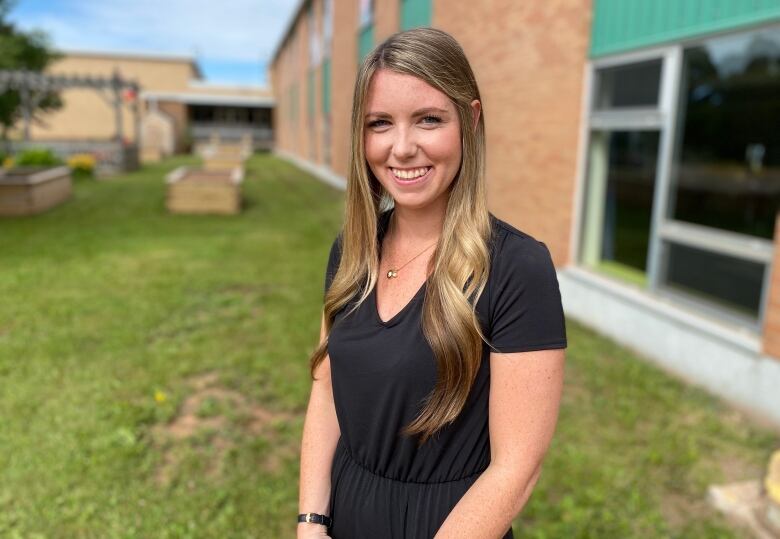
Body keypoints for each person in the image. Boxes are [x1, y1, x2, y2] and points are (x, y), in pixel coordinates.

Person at [297, 27, 567, 539]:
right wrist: (311, 522)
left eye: (428, 119)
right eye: (380, 123)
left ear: (470, 121)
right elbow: (328, 391)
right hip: (347, 515)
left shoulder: (517, 268)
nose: (402, 148)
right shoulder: (352, 251)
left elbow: (517, 469)